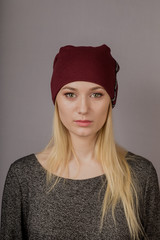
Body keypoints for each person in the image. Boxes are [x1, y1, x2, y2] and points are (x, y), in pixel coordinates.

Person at [0, 44, 160, 240]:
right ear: (56, 100)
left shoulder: (140, 175)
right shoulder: (23, 176)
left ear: (111, 100)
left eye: (96, 94)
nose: (83, 108)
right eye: (70, 94)